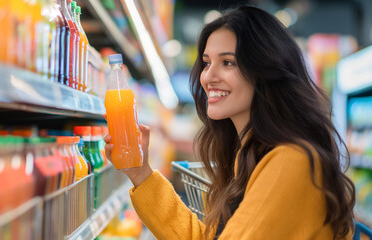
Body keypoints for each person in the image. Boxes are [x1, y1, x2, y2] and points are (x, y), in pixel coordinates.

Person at [103, 5, 355, 240]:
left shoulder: (292, 161)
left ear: (265, 71)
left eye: (227, 62)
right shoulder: (247, 155)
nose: (208, 77)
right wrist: (140, 173)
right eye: (207, 63)